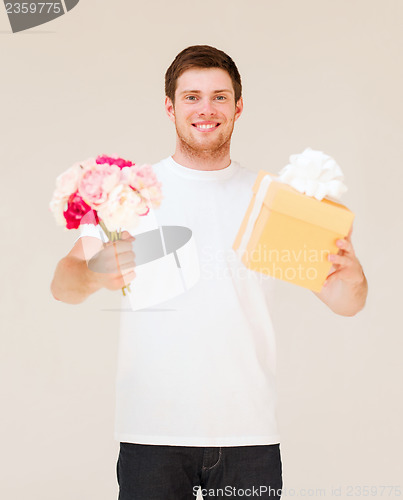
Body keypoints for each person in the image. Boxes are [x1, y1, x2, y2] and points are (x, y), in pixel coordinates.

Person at [50, 45, 368, 499]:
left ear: (238, 106)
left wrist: (353, 281)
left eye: (219, 97)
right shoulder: (129, 193)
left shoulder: (273, 198)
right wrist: (95, 273)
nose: (206, 109)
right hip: (151, 434)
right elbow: (64, 284)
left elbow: (346, 301)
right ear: (170, 106)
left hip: (248, 436)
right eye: (192, 96)